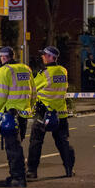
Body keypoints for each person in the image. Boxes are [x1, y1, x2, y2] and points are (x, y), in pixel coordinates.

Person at [0, 47, 36, 188]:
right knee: (17, 146)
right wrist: (30, 108)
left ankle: (18, 178)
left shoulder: (4, 71)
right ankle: (16, 175)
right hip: (23, 114)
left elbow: (0, 96)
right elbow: (34, 91)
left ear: (3, 58)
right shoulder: (26, 69)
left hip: (10, 115)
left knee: (13, 148)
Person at [26, 46, 75, 179]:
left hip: (44, 113)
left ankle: (32, 171)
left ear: (49, 57)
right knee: (63, 142)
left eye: (44, 55)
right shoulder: (63, 71)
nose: (42, 57)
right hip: (61, 113)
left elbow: (32, 88)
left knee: (36, 141)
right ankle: (69, 168)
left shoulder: (45, 73)